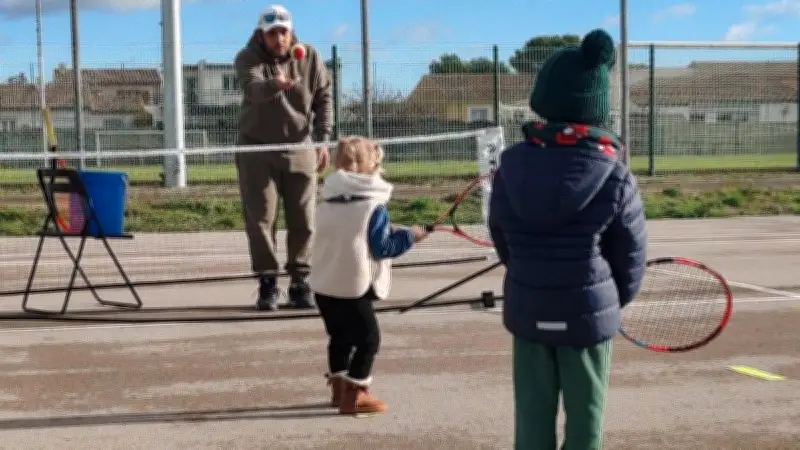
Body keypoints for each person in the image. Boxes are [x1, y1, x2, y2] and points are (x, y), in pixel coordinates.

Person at [487, 29, 648, 450]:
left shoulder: (510, 167)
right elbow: (630, 254)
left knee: (532, 416)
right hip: (588, 313)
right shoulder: (615, 173)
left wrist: (528, 274)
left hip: (529, 306)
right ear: (598, 108)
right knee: (586, 418)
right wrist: (610, 300)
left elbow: (501, 237)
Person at [308, 136, 428, 416]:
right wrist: (410, 236)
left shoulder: (327, 201)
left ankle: (338, 388)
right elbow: (382, 247)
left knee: (339, 337)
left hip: (325, 284)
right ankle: (356, 393)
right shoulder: (374, 206)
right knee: (369, 339)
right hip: (354, 285)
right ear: (373, 164)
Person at [233, 4, 333, 311]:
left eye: (283, 32)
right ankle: (268, 283)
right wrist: (276, 84)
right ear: (261, 35)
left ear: (291, 32)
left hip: (300, 147)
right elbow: (253, 91)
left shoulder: (310, 56)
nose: (279, 39)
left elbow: (324, 96)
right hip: (257, 149)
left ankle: (301, 283)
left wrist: (323, 139)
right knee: (261, 218)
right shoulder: (247, 57)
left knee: (304, 218)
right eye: (272, 33)